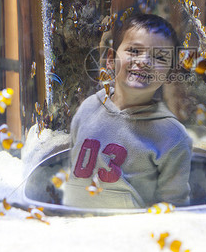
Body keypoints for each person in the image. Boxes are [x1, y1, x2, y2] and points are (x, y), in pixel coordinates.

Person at [63, 13, 192, 209]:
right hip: (71, 223)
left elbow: (174, 207)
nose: (144, 61)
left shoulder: (173, 136)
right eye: (134, 50)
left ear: (170, 73)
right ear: (110, 59)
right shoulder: (88, 108)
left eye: (159, 57)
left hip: (129, 233)